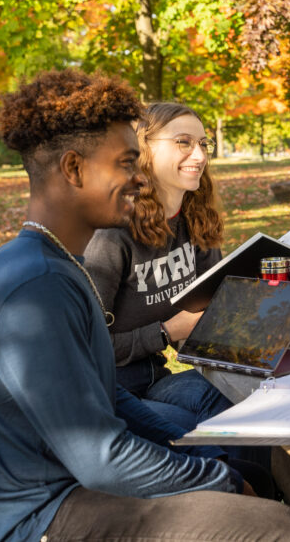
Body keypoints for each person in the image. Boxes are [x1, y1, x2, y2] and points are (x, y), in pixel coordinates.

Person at [0, 70, 290, 542]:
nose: (139, 177)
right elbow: (101, 458)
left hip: (66, 487)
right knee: (269, 527)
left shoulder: (58, 264)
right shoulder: (37, 283)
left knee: (246, 474)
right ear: (73, 169)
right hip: (23, 518)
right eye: (127, 163)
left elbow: (107, 401)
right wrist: (222, 480)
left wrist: (206, 462)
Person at [84, 102, 231, 430]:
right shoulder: (111, 235)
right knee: (199, 423)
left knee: (240, 395)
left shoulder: (196, 221)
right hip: (102, 392)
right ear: (143, 149)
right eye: (183, 142)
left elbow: (206, 320)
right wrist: (165, 332)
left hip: (156, 379)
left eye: (203, 144)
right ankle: (229, 479)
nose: (199, 156)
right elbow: (81, 346)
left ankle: (256, 484)